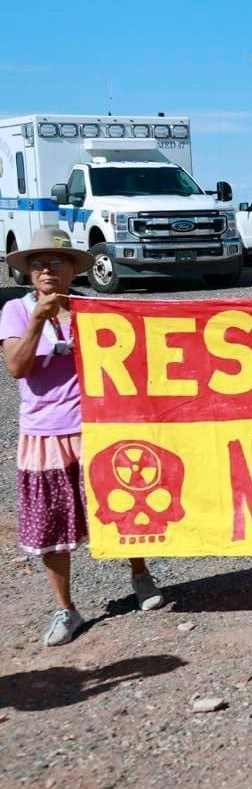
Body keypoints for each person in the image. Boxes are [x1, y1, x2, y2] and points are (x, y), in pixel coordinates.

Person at [2, 230, 165, 646]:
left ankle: (141, 576)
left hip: (99, 424)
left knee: (123, 504)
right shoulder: (16, 311)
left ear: (74, 269)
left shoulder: (93, 309)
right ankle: (66, 609)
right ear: (28, 272)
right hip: (45, 432)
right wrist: (40, 317)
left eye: (57, 262)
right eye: (38, 263)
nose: (46, 269)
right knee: (52, 523)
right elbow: (18, 368)